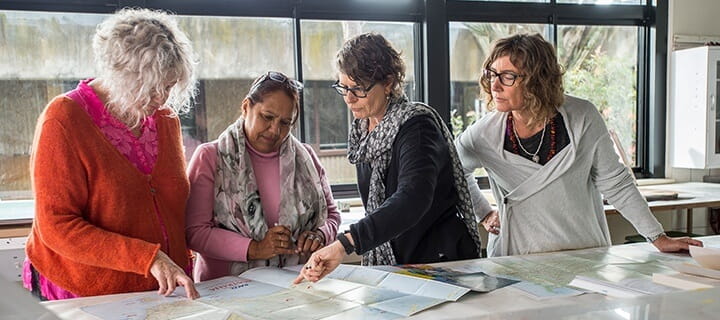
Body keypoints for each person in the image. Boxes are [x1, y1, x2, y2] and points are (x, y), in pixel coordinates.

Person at [454, 33, 703, 257]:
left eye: (507, 76)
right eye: (492, 74)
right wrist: (484, 213)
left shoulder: (582, 117)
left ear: (536, 80)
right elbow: (454, 170)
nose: (494, 85)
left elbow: (616, 184)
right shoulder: (484, 134)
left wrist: (658, 237)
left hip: (583, 256)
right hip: (517, 258)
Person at [23, 8, 199, 300]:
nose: (162, 99)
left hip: (157, 291)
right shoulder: (64, 119)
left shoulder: (165, 119)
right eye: (151, 88)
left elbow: (172, 206)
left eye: (168, 87)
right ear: (119, 75)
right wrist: (149, 258)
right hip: (85, 292)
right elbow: (56, 225)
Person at [294, 33, 482, 284]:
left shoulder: (416, 127)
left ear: (389, 82)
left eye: (358, 89)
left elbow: (412, 198)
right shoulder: (364, 134)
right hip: (396, 262)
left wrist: (346, 244)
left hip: (438, 264)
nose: (349, 98)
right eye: (343, 88)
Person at [185, 71, 341, 281]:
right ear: (246, 107)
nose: (275, 130)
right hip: (226, 291)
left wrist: (319, 235)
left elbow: (332, 215)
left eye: (285, 123)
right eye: (267, 117)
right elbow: (195, 232)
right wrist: (255, 249)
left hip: (295, 285)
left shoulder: (307, 158)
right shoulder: (210, 157)